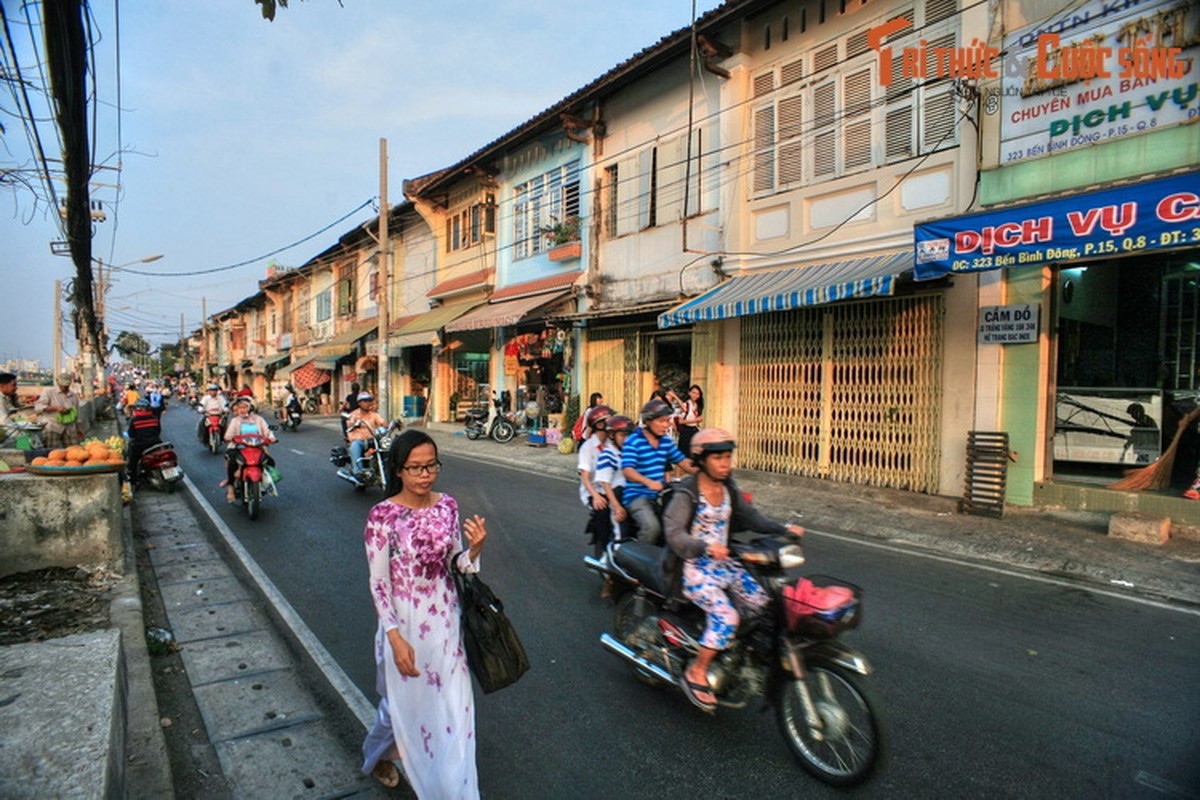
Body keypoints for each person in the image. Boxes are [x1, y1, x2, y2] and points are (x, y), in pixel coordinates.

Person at [360, 429, 488, 797]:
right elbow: (379, 583)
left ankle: (452, 788)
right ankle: (377, 756)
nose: (424, 474)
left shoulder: (447, 505)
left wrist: (475, 550)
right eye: (414, 468)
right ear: (398, 470)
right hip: (403, 625)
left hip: (446, 623)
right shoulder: (382, 516)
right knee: (399, 709)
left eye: (430, 465)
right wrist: (395, 637)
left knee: (454, 709)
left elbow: (456, 564)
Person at [664, 428, 805, 712]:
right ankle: (697, 671)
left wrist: (783, 529)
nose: (726, 463)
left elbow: (752, 517)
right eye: (718, 458)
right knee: (727, 616)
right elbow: (675, 535)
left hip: (725, 564)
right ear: (701, 459)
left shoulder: (728, 487)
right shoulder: (686, 494)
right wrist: (704, 546)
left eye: (728, 457)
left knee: (762, 602)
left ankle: (739, 653)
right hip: (693, 569)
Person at [620, 398, 697, 545]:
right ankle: (640, 559)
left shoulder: (665, 442)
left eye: (667, 421)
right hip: (637, 496)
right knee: (652, 528)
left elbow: (684, 462)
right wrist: (648, 482)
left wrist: (707, 471)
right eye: (662, 421)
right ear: (648, 422)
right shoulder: (634, 441)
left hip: (661, 495)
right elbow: (628, 470)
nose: (666, 425)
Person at [222, 394, 275, 502]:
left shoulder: (258, 419)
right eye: (240, 407)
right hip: (238, 448)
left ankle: (264, 481)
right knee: (232, 464)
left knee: (270, 462)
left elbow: (267, 431)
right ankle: (231, 487)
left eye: (245, 407)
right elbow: (228, 435)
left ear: (250, 407)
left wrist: (272, 438)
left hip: (257, 448)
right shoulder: (235, 421)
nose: (242, 410)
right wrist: (230, 438)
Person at [577, 405, 614, 555]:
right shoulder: (587, 447)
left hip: (611, 488)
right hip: (594, 490)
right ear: (599, 424)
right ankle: (604, 552)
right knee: (603, 512)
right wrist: (596, 496)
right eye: (609, 420)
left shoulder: (612, 444)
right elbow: (585, 477)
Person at [35, 372, 83, 449]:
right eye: (62, 386)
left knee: (73, 450)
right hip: (53, 426)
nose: (64, 387)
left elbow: (77, 413)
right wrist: (55, 408)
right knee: (52, 451)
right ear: (57, 382)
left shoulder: (73, 395)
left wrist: (79, 428)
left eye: (66, 386)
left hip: (69, 428)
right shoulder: (48, 392)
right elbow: (38, 407)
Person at [347, 391, 388, 478]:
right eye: (365, 401)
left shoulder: (374, 415)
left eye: (369, 400)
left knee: (388, 446)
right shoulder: (354, 415)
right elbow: (349, 425)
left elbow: (383, 423)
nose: (368, 403)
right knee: (355, 445)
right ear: (359, 403)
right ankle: (358, 471)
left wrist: (392, 425)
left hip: (373, 440)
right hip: (359, 441)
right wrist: (354, 424)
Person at [125, 398, 162, 484]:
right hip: (155, 443)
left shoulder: (134, 420)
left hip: (140, 445)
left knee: (132, 462)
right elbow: (158, 431)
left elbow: (131, 435)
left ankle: (133, 480)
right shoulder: (155, 418)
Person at [677, 384, 705, 454]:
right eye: (693, 393)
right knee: (685, 453)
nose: (695, 395)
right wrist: (695, 420)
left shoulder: (697, 405)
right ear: (689, 393)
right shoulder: (685, 405)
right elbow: (680, 421)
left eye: (697, 394)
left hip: (694, 430)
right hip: (686, 431)